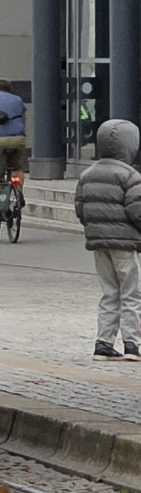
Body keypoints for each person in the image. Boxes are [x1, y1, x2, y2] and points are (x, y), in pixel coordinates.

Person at [73, 118, 141, 361]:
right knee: (131, 292)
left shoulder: (88, 174)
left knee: (109, 292)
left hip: (99, 243)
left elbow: (80, 209)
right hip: (125, 244)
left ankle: (103, 343)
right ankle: (132, 344)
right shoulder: (130, 175)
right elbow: (137, 210)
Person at [0, 79, 27, 180]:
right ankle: (19, 192)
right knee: (16, 167)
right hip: (18, 139)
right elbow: (23, 119)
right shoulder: (18, 99)